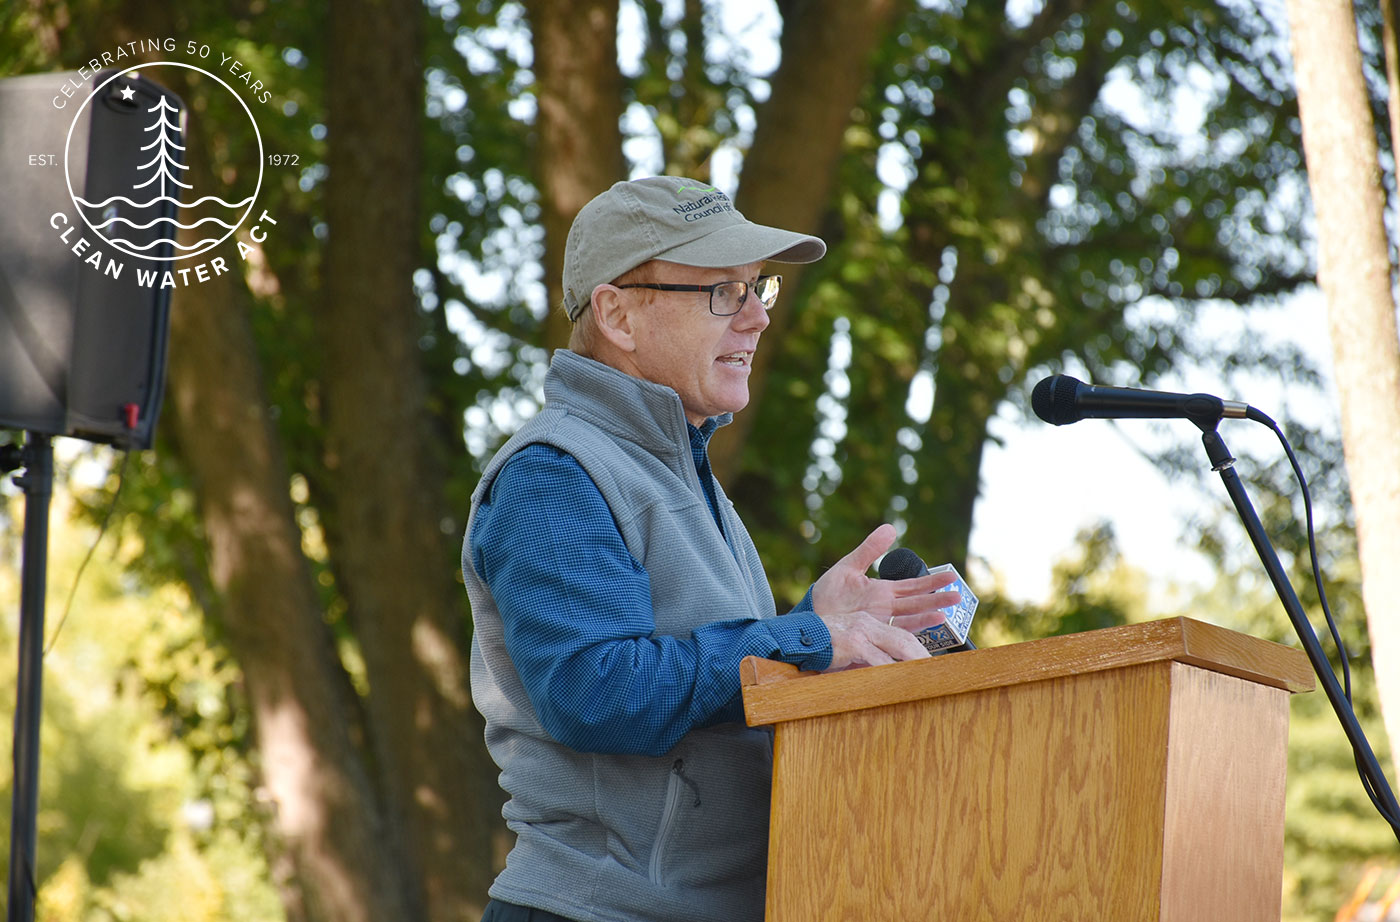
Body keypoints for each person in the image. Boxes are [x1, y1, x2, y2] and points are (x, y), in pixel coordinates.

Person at [463, 176, 959, 922]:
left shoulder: (682, 472)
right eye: (723, 294)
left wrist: (817, 626)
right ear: (618, 314)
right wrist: (804, 641)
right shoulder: (554, 475)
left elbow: (713, 679)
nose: (758, 317)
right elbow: (596, 690)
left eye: (757, 288)